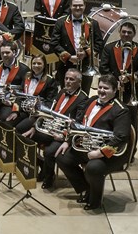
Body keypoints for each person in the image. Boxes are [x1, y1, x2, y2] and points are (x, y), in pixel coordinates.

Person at [55, 74, 131, 210]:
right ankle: (86, 188)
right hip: (86, 146)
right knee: (61, 157)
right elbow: (79, 123)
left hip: (110, 154)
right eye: (100, 87)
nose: (101, 90)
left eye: (106, 88)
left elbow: (121, 138)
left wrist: (99, 153)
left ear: (115, 90)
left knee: (93, 168)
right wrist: (67, 140)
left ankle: (95, 200)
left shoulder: (121, 110)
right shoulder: (92, 100)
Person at [18, 68, 88, 189]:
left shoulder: (83, 98)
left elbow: (78, 123)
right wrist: (35, 127)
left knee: (49, 152)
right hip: (51, 128)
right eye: (66, 78)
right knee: (23, 136)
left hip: (63, 134)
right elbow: (50, 112)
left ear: (79, 82)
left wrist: (63, 136)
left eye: (72, 79)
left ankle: (48, 176)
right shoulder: (62, 92)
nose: (68, 81)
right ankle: (41, 164)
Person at [99, 21, 138, 144]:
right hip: (112, 91)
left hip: (130, 92)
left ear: (134, 34)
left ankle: (130, 151)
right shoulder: (109, 47)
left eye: (129, 32)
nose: (126, 34)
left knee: (132, 121)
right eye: (123, 31)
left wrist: (130, 77)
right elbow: (103, 68)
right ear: (119, 32)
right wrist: (115, 81)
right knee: (110, 118)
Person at [51, 0, 104, 93]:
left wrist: (86, 53)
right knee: (66, 93)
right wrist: (69, 57)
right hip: (66, 65)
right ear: (70, 6)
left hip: (86, 66)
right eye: (75, 5)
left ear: (84, 6)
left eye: (80, 5)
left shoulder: (93, 23)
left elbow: (99, 44)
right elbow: (54, 43)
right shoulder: (61, 22)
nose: (78, 8)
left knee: (84, 94)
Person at [5, 54, 59, 127]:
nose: (36, 66)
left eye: (39, 63)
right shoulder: (27, 76)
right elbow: (20, 95)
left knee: (19, 128)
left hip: (36, 114)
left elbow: (50, 102)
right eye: (34, 63)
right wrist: (16, 111)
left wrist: (37, 112)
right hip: (23, 109)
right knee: (8, 123)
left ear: (44, 65)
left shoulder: (50, 81)